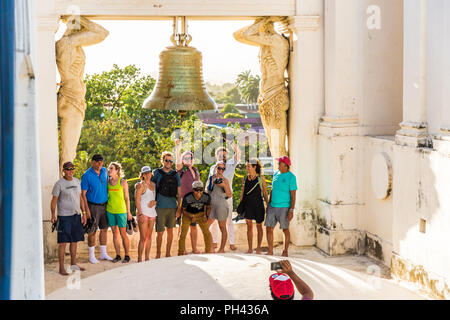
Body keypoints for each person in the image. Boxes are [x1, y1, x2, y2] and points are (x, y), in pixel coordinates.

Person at [56, 16, 108, 173]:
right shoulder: (67, 43)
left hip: (75, 99)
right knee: (68, 152)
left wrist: (78, 19)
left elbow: (100, 33)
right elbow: (102, 33)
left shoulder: (71, 44)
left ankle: (63, 182)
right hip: (71, 100)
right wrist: (77, 18)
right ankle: (63, 184)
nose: (84, 32)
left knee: (69, 150)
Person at [233, 17, 289, 161]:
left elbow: (245, 35)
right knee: (273, 144)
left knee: (278, 146)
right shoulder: (265, 44)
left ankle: (283, 179)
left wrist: (264, 20)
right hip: (266, 97)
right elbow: (237, 35)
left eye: (259, 26)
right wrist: (261, 21)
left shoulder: (277, 40)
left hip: (274, 96)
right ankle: (280, 178)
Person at [51, 161, 87, 275]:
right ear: (64, 171)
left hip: (76, 216)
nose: (71, 171)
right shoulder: (59, 184)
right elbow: (54, 201)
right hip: (64, 217)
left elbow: (80, 198)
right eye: (68, 169)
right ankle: (61, 268)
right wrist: (53, 215)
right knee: (63, 243)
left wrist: (84, 213)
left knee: (74, 241)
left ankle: (73, 264)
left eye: (72, 168)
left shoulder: (77, 181)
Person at [81, 154, 113, 264]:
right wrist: (86, 211)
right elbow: (83, 195)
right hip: (92, 206)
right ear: (92, 162)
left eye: (101, 161)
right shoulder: (86, 175)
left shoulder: (104, 171)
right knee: (92, 231)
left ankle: (103, 254)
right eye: (97, 161)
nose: (100, 163)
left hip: (105, 205)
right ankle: (91, 256)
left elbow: (111, 181)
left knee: (104, 229)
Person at [208, 143, 241, 251]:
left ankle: (231, 243)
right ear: (216, 156)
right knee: (214, 222)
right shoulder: (213, 168)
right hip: (215, 198)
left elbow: (239, 153)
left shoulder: (231, 165)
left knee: (229, 221)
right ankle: (214, 242)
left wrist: (230, 141)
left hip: (227, 198)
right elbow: (210, 184)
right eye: (220, 155)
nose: (222, 156)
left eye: (224, 155)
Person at [265, 156, 297, 257]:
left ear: (285, 165)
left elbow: (293, 195)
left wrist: (291, 210)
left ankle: (285, 251)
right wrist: (268, 204)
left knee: (285, 229)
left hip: (284, 208)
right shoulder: (275, 174)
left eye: (279, 163)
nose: (278, 165)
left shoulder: (291, 177)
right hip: (272, 206)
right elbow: (272, 190)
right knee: (269, 228)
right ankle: (270, 251)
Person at [151, 151, 181, 258]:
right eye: (166, 160)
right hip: (159, 207)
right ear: (162, 160)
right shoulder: (156, 172)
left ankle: (168, 253)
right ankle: (158, 254)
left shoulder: (175, 174)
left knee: (170, 231)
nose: (168, 163)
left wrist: (179, 208)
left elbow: (179, 193)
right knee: (159, 232)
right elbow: (151, 188)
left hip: (172, 207)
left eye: (170, 161)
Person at [175, 140, 201, 254]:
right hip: (183, 202)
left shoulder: (195, 170)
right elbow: (177, 161)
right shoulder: (181, 169)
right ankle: (183, 249)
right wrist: (177, 147)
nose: (187, 160)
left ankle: (194, 248)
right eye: (185, 158)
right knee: (183, 227)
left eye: (189, 158)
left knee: (194, 227)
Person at [238, 158, 269, 254]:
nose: (246, 168)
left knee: (259, 226)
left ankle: (258, 248)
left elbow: (264, 192)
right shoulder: (245, 178)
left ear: (254, 167)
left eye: (248, 166)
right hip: (247, 205)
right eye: (246, 166)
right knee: (249, 227)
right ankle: (250, 248)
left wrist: (268, 205)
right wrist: (240, 205)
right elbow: (243, 193)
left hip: (258, 205)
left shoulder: (260, 178)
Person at [106, 162, 132, 263]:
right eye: (109, 169)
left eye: (111, 168)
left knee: (123, 234)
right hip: (110, 211)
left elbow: (127, 198)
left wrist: (128, 212)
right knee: (114, 234)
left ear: (117, 170)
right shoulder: (107, 182)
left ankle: (127, 255)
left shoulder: (122, 182)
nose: (109, 170)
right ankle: (117, 255)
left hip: (121, 211)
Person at [178, 181, 212, 256]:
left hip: (200, 214)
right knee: (183, 233)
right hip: (188, 214)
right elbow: (183, 210)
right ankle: (180, 253)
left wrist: (206, 216)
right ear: (193, 190)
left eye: (201, 190)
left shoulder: (206, 196)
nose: (199, 192)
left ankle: (208, 251)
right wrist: (190, 217)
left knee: (206, 232)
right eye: (196, 190)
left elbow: (209, 207)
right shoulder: (187, 197)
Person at [206, 161, 232, 253]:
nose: (221, 170)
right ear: (215, 168)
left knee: (222, 227)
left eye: (223, 169)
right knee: (205, 227)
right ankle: (211, 247)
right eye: (219, 168)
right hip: (211, 206)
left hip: (221, 205)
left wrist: (224, 186)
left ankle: (222, 249)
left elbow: (229, 195)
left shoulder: (225, 180)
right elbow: (207, 192)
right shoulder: (210, 178)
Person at [135, 166, 157, 262]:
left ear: (151, 173)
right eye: (145, 173)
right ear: (142, 175)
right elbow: (137, 200)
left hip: (152, 213)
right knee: (143, 238)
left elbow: (156, 198)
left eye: (149, 172)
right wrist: (139, 214)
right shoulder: (140, 185)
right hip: (143, 213)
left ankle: (147, 258)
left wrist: (155, 202)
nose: (148, 174)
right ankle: (140, 258)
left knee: (149, 237)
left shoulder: (154, 185)